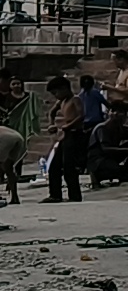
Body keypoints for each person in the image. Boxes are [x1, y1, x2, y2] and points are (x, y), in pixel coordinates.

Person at [51, 74, 90, 204]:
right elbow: (51, 112)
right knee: (54, 166)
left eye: (56, 92)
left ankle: (75, 195)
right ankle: (55, 194)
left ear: (64, 89)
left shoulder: (75, 99)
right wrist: (52, 124)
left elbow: (81, 115)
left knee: (69, 167)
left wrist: (69, 125)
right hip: (66, 135)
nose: (55, 96)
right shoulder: (61, 102)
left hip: (75, 134)